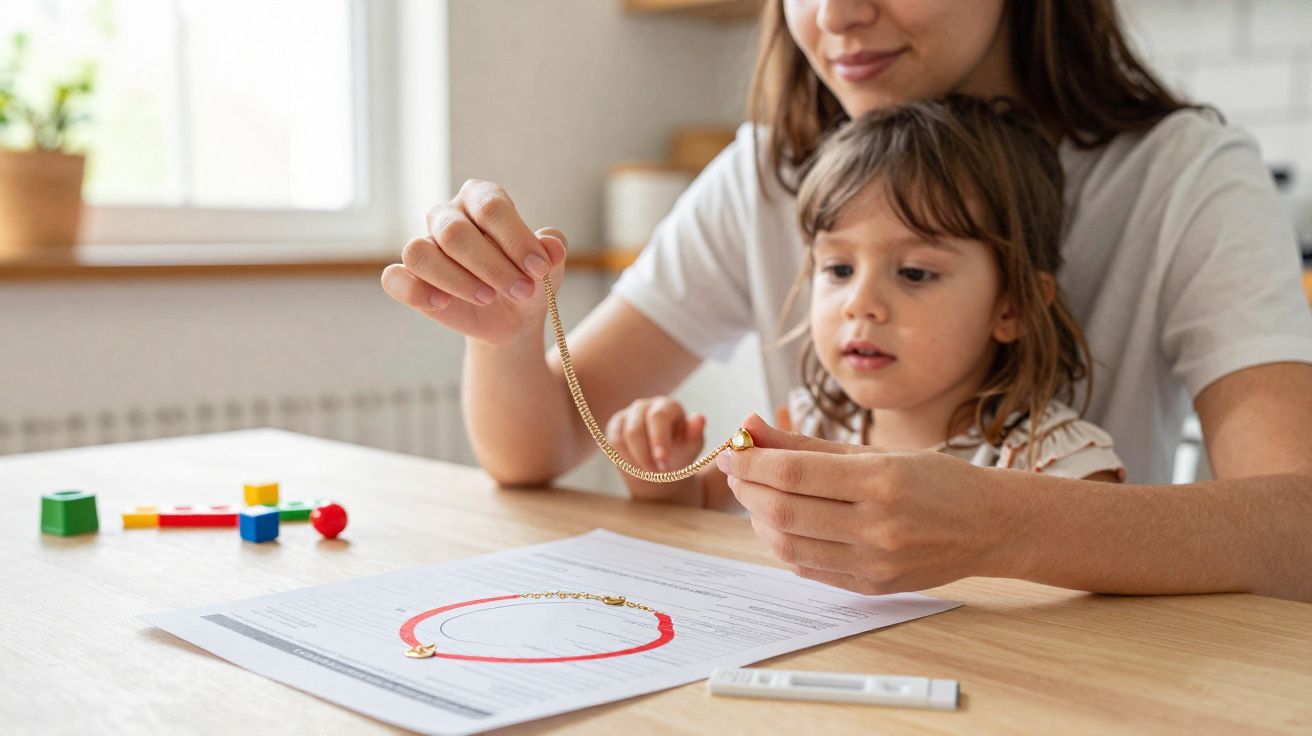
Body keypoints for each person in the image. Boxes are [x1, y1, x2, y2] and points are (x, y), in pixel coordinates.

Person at [381, 1, 1312, 600]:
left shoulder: (1183, 175)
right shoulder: (763, 171)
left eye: (918, 268)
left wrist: (998, 522)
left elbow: (1297, 528)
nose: (836, 15)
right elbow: (533, 448)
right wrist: (502, 332)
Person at [609, 95, 1125, 509]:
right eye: (837, 269)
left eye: (914, 272)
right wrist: (660, 472)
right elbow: (698, 503)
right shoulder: (809, 428)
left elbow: (1095, 596)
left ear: (1012, 308)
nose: (861, 304)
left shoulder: (1056, 463)